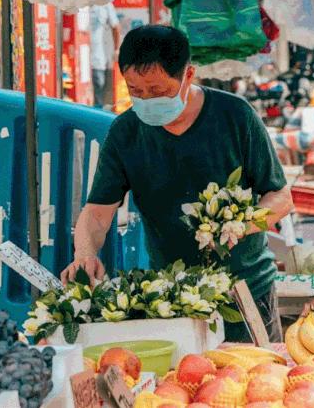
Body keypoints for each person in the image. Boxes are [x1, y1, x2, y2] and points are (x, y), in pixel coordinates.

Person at [61, 25, 294, 342]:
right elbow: (97, 214)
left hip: (246, 290)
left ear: (188, 75)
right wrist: (84, 254)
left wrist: (241, 224)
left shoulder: (235, 116)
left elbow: (280, 197)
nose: (146, 100)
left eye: (157, 91)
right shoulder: (125, 133)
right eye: (136, 91)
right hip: (173, 297)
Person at [90, 3, 121, 108]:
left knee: (99, 86)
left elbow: (116, 26)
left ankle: (95, 118)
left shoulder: (105, 3)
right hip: (78, 59)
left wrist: (116, 49)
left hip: (97, 58)